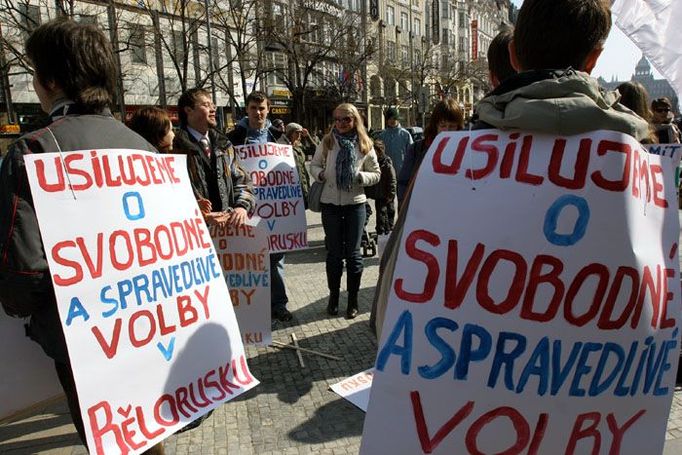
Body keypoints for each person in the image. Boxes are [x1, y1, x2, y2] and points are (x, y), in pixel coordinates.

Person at [372, 0, 653, 339]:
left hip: (470, 372)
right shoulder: (643, 174)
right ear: (594, 59)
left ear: (515, 57)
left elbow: (388, 313)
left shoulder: (447, 162)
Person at [0, 19, 164, 454]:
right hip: (147, 329)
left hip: (83, 345)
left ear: (50, 80)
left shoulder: (33, 150)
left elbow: (24, 275)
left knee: (108, 442)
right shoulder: (144, 148)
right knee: (147, 436)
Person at [310, 103, 380, 319]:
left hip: (355, 204)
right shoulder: (328, 141)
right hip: (330, 204)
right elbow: (313, 165)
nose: (341, 123)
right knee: (333, 254)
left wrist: (360, 177)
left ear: (355, 120)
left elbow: (376, 173)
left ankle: (353, 300)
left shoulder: (365, 143)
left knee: (353, 255)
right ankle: (333, 297)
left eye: (346, 119)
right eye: (338, 119)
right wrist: (321, 175)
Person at [228, 92, 292, 322]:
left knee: (276, 259)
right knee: (251, 258)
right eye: (254, 107)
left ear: (268, 109)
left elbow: (289, 170)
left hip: (275, 209)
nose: (258, 112)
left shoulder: (278, 137)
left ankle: (279, 304)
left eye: (262, 108)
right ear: (247, 109)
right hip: (247, 208)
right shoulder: (234, 137)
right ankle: (256, 306)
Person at [173, 88, 255, 229]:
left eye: (213, 105)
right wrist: (200, 215)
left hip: (226, 232)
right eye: (205, 105)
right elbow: (172, 195)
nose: (213, 110)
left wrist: (241, 206)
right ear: (188, 110)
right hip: (194, 231)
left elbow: (241, 179)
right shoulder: (175, 147)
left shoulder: (224, 144)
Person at [396, 99, 464, 206]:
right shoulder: (417, 149)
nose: (447, 130)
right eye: (443, 126)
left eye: (452, 126)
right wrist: (404, 207)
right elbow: (404, 183)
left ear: (458, 127)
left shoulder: (466, 152)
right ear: (435, 126)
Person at [378, 107, 412, 225]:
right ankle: (390, 225)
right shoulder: (383, 135)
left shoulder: (405, 134)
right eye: (390, 118)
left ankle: (403, 224)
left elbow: (411, 154)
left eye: (394, 118)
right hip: (387, 175)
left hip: (403, 174)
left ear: (398, 119)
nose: (392, 121)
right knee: (388, 202)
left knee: (403, 201)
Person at [365, 139, 396, 235]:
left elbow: (392, 181)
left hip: (384, 193)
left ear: (380, 152)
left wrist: (390, 195)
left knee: (384, 212)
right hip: (372, 190)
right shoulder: (369, 161)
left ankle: (384, 230)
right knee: (365, 209)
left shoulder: (386, 164)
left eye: (375, 152)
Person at [277, 122, 311, 207]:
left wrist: (308, 137)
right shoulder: (282, 145)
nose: (299, 135)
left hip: (303, 185)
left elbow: (315, 150)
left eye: (300, 133)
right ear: (290, 133)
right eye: (297, 132)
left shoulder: (298, 146)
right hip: (291, 187)